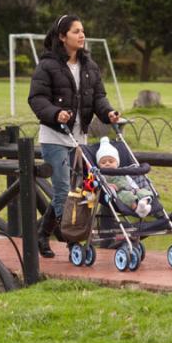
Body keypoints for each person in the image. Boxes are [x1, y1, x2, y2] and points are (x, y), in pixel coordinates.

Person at [28, 14, 120, 258]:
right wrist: (55, 113)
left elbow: (98, 97)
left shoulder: (89, 66)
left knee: (78, 191)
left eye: (82, 31)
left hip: (80, 139)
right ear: (62, 37)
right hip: (54, 137)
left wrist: (108, 112)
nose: (82, 35)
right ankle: (72, 242)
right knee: (62, 192)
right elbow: (36, 99)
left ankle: (41, 232)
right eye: (76, 31)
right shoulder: (47, 65)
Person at [95, 137, 153, 218]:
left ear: (117, 163)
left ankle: (144, 203)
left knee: (145, 192)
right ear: (99, 165)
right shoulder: (102, 175)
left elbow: (130, 180)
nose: (107, 164)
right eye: (103, 162)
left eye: (111, 161)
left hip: (132, 189)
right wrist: (108, 185)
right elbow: (100, 183)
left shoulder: (123, 171)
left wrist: (136, 188)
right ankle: (137, 209)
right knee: (127, 197)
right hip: (120, 193)